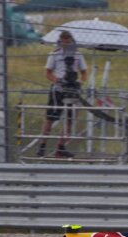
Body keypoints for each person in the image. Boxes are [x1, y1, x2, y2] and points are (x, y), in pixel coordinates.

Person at [37, 30, 87, 158]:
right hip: (58, 90)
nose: (65, 45)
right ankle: (42, 145)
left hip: (72, 90)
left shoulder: (78, 55)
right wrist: (57, 80)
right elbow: (48, 73)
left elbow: (84, 72)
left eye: (68, 42)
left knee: (70, 119)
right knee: (50, 118)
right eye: (63, 42)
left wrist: (79, 82)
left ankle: (61, 147)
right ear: (60, 42)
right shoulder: (54, 55)